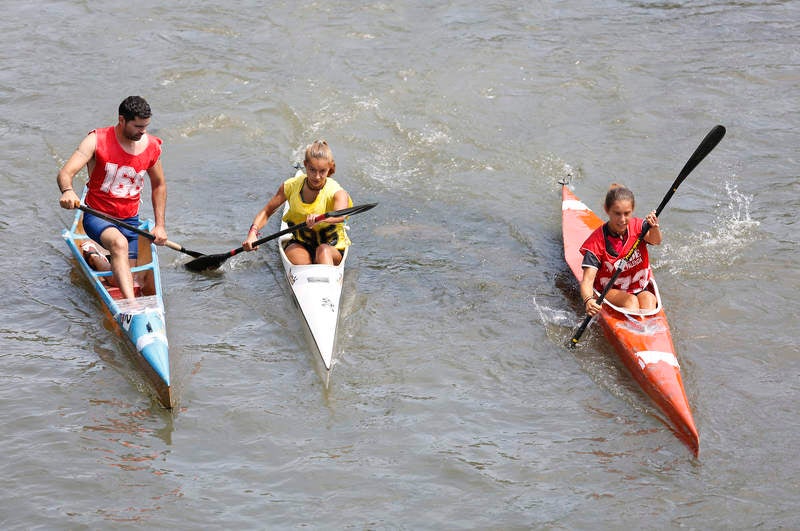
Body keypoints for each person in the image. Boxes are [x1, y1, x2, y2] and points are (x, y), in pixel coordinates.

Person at [57, 96, 167, 299]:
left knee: (121, 277)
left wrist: (160, 225)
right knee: (119, 244)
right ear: (122, 120)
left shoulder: (151, 146)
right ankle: (131, 308)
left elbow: (159, 185)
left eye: (146, 126)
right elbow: (65, 173)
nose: (143, 131)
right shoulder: (97, 140)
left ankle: (93, 254)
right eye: (138, 126)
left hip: (130, 221)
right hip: (97, 216)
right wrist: (67, 190)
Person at [243, 140, 351, 265]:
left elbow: (340, 216)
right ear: (305, 165)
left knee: (323, 251)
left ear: (329, 168)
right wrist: (252, 233)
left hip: (331, 247)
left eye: (322, 171)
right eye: (312, 170)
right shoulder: (290, 186)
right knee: (302, 263)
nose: (316, 176)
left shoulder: (338, 192)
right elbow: (267, 211)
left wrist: (321, 219)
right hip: (300, 243)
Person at [579, 183, 661, 317]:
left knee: (650, 300)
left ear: (632, 210)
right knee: (631, 302)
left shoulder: (640, 226)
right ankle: (634, 331)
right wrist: (588, 300)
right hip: (611, 289)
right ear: (607, 210)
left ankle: (646, 331)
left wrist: (654, 227)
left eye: (627, 213)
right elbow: (587, 281)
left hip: (639, 286)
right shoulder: (596, 243)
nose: (622, 220)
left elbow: (656, 241)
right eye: (617, 214)